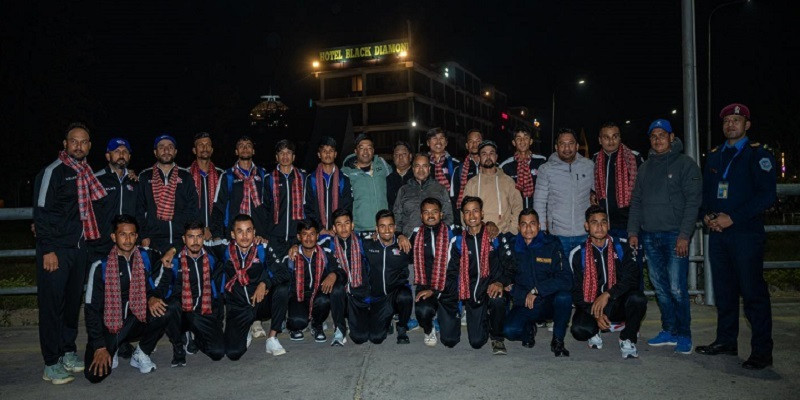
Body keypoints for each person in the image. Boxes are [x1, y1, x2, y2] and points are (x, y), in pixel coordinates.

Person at [696, 103, 777, 370]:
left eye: (736, 120)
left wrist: (732, 218)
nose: (731, 124)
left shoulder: (758, 155)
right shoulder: (715, 156)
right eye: (727, 121)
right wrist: (707, 216)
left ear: (747, 125)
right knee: (724, 292)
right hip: (718, 235)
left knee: (753, 294)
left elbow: (767, 196)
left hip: (745, 234)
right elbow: (707, 195)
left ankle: (762, 352)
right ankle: (726, 341)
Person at [34, 122, 106, 384]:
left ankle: (67, 352)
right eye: (74, 141)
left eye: (84, 142)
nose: (79, 146)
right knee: (51, 307)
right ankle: (51, 363)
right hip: (56, 251)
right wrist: (48, 249)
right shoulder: (53, 172)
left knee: (71, 306)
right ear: (65, 144)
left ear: (89, 146)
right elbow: (41, 212)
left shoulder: (86, 173)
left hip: (79, 249)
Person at [627, 119, 702, 355]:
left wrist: (684, 235)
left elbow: (693, 202)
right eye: (653, 136)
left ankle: (684, 334)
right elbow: (636, 202)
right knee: (660, 287)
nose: (658, 139)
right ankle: (669, 329)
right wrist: (633, 232)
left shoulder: (685, 164)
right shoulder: (645, 168)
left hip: (674, 236)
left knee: (677, 288)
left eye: (662, 135)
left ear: (671, 137)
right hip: (650, 236)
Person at [83, 214, 178, 383]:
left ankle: (141, 352)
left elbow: (172, 252)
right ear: (114, 237)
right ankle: (115, 347)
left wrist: (152, 297)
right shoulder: (100, 266)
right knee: (94, 375)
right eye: (122, 234)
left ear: (136, 236)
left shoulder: (146, 256)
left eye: (132, 234)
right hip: (110, 326)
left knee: (167, 309)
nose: (127, 239)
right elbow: (91, 310)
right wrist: (99, 345)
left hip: (136, 318)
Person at [570, 205, 647, 359]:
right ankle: (596, 328)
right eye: (594, 222)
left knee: (638, 298)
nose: (599, 227)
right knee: (579, 330)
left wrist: (608, 294)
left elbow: (632, 279)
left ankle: (627, 337)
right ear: (587, 226)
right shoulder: (578, 253)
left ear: (608, 225)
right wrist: (596, 314)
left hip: (615, 301)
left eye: (603, 222)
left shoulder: (623, 246)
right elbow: (576, 292)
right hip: (591, 304)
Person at [216, 214, 289, 359]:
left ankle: (272, 337)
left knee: (282, 289)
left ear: (254, 232)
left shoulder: (262, 249)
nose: (245, 236)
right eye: (240, 231)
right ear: (233, 234)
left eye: (248, 231)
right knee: (233, 353)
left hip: (259, 302)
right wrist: (172, 250)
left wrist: (265, 283)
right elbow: (196, 243)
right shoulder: (224, 250)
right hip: (237, 308)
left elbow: (284, 273)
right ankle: (246, 328)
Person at [449, 196, 516, 354]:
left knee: (497, 300)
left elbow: (511, 265)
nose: (472, 216)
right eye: (467, 212)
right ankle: (486, 318)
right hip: (473, 294)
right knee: (476, 342)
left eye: (475, 211)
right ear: (463, 216)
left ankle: (497, 337)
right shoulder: (458, 241)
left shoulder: (495, 237)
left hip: (494, 288)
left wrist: (500, 282)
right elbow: (451, 272)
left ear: (482, 213)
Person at [503, 208, 573, 357]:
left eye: (532, 223)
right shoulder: (512, 246)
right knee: (510, 331)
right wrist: (519, 292)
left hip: (548, 300)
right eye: (524, 224)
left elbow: (566, 278)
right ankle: (529, 329)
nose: (528, 228)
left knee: (564, 297)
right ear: (518, 227)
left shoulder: (552, 244)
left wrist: (537, 290)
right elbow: (506, 280)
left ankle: (558, 340)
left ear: (539, 226)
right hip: (524, 302)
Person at [158, 221, 225, 364]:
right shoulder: (173, 260)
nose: (195, 241)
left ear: (204, 237)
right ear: (184, 239)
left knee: (217, 352)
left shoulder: (212, 256)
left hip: (204, 311)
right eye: (190, 237)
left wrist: (218, 321)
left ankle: (196, 337)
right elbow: (161, 287)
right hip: (181, 312)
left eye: (199, 236)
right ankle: (178, 347)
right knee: (170, 308)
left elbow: (218, 291)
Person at [323, 208, 382, 345]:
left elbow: (386, 238)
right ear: (334, 228)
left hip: (359, 295)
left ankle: (359, 319)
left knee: (360, 337)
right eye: (339, 224)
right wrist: (294, 247)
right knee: (336, 288)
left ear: (353, 225)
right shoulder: (328, 244)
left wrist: (400, 236)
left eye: (347, 223)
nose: (343, 228)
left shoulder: (362, 242)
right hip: (342, 296)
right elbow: (308, 242)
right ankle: (339, 329)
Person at [284, 219, 347, 345]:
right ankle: (292, 325)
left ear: (317, 236)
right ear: (299, 237)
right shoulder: (291, 257)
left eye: (312, 234)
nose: (308, 238)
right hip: (298, 296)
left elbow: (343, 273)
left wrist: (334, 274)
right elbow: (282, 279)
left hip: (318, 295)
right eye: (305, 234)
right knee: (298, 322)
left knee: (324, 300)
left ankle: (317, 325)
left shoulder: (325, 254)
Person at [533, 128, 594, 254]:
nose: (567, 148)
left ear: (577, 146)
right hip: (557, 235)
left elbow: (598, 193)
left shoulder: (589, 166)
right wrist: (541, 230)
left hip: (584, 233)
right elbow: (539, 201)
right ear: (556, 147)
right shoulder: (546, 169)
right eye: (562, 144)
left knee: (584, 267)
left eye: (571, 143)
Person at [136, 135, 199, 253]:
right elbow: (139, 210)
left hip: (181, 241)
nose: (166, 150)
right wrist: (143, 236)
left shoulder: (186, 176)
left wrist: (188, 235)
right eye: (161, 147)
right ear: (155, 152)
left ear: (175, 152)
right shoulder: (145, 176)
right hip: (152, 241)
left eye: (170, 147)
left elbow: (193, 208)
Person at [409, 198, 459, 348]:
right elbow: (398, 249)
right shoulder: (416, 234)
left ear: (441, 214)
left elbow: (455, 269)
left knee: (450, 341)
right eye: (426, 212)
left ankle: (448, 316)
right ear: (421, 216)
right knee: (423, 310)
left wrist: (435, 290)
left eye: (434, 212)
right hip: (424, 285)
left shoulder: (453, 233)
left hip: (447, 287)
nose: (430, 215)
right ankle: (429, 328)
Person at [362, 210, 414, 344]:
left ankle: (402, 327)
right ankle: (387, 319)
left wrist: (400, 235)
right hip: (378, 297)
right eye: (382, 226)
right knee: (376, 338)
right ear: (376, 228)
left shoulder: (404, 245)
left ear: (395, 227)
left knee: (405, 296)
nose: (386, 230)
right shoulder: (368, 244)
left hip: (396, 293)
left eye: (390, 226)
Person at [89, 138, 138, 263]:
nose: (121, 155)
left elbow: (140, 212)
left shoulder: (135, 181)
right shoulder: (96, 180)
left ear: (129, 156)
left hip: (128, 245)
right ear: (108, 156)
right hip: (101, 246)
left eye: (125, 151)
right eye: (116, 151)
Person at [591, 122, 644, 239]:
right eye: (606, 137)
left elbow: (644, 191)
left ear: (620, 138)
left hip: (629, 227)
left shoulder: (634, 157)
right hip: (603, 227)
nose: (611, 141)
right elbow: (592, 189)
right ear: (600, 140)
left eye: (615, 136)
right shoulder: (594, 160)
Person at [211, 136, 269, 239]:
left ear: (253, 151)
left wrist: (268, 233)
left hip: (260, 235)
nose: (245, 148)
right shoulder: (227, 176)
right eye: (241, 146)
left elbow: (270, 206)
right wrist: (217, 235)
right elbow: (218, 207)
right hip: (235, 234)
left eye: (248, 146)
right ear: (236, 151)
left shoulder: (263, 174)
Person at [463, 140, 523, 234]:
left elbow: (518, 207)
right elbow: (464, 211)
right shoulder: (472, 183)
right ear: (479, 158)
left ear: (496, 157)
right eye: (484, 154)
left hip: (504, 234)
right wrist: (476, 231)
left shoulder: (508, 181)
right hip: (479, 234)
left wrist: (511, 231)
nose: (488, 157)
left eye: (491, 153)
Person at [394, 153, 454, 237]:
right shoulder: (403, 190)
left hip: (435, 239)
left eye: (424, 166)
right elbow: (397, 217)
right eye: (417, 166)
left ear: (429, 168)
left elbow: (449, 216)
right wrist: (400, 236)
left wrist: (439, 235)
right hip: (409, 239)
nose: (421, 170)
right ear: (413, 168)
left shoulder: (440, 189)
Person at [264, 139, 307, 256]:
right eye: (281, 153)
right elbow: (265, 208)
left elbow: (308, 207)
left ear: (293, 157)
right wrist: (265, 234)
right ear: (276, 157)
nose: (285, 156)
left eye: (288, 153)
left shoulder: (303, 177)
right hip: (275, 236)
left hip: (297, 236)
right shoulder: (269, 178)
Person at [341, 134, 391, 234]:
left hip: (383, 228)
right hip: (359, 229)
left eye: (369, 148)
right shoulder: (347, 173)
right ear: (356, 151)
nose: (365, 151)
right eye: (362, 148)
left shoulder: (382, 165)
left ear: (373, 151)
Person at [304, 136, 353, 235]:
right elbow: (308, 207)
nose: (327, 154)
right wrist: (320, 229)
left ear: (335, 154)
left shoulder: (343, 179)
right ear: (319, 154)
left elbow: (347, 207)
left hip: (338, 232)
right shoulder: (311, 179)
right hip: (318, 233)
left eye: (331, 150)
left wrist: (337, 228)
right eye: (324, 151)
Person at [500, 129, 547, 209]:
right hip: (516, 211)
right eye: (518, 138)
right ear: (514, 142)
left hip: (537, 211)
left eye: (526, 138)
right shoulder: (505, 166)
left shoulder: (542, 162)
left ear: (531, 141)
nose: (522, 141)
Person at [188, 132, 224, 238]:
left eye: (208, 145)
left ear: (212, 150)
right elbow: (184, 208)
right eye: (200, 145)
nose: (205, 148)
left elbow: (223, 207)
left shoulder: (222, 175)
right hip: (194, 234)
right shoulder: (185, 175)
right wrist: (200, 228)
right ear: (194, 150)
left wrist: (214, 231)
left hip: (217, 236)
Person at [450, 129, 482, 213]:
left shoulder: (493, 167)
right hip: (467, 215)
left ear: (483, 144)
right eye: (471, 141)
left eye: (478, 141)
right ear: (467, 145)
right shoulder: (459, 170)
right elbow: (454, 198)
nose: (474, 144)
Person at [426, 128, 461, 201]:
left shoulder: (456, 164)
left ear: (446, 143)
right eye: (434, 138)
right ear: (428, 143)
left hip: (450, 204)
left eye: (441, 138)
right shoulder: (423, 164)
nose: (438, 142)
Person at [386, 141, 413, 211]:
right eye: (397, 154)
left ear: (410, 156)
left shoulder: (418, 176)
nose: (400, 157)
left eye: (404, 154)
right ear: (393, 158)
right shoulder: (389, 179)